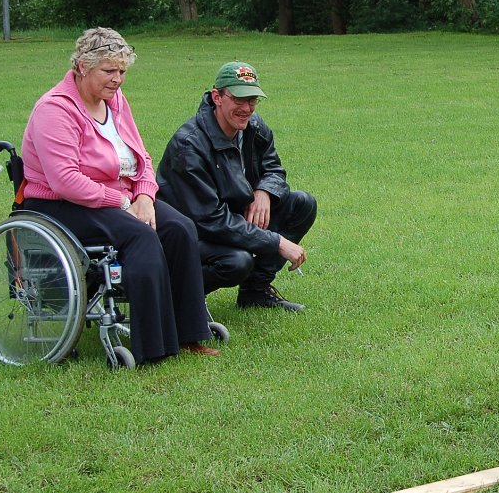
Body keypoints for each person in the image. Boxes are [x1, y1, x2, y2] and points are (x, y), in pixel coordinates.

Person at [18, 27, 220, 362]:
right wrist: (124, 203)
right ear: (82, 66)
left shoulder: (115, 101)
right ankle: (154, 348)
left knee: (180, 227)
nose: (117, 79)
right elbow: (65, 180)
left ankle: (191, 335)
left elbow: (142, 159)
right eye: (109, 71)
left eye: (122, 71)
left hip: (119, 196)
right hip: (62, 204)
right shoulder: (55, 109)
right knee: (141, 236)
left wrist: (144, 196)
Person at [157, 62, 316, 312]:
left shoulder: (254, 126)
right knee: (236, 262)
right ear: (216, 97)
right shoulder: (189, 147)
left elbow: (274, 168)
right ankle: (177, 299)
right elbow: (210, 220)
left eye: (252, 100)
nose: (246, 108)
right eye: (239, 99)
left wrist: (265, 191)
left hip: (231, 216)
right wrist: (276, 242)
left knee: (302, 204)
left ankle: (255, 291)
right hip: (192, 234)